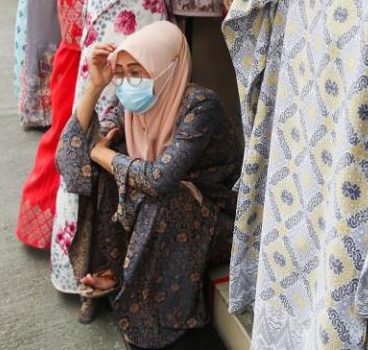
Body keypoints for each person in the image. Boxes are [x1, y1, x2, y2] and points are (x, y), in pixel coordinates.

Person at [55, 20, 241, 348]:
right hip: (155, 221)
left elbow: (159, 179)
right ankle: (118, 269)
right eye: (121, 72)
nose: (128, 82)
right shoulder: (128, 107)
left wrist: (102, 154)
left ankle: (148, 299)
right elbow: (70, 162)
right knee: (100, 170)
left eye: (137, 71)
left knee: (164, 194)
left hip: (214, 226)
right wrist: (95, 87)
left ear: (167, 68)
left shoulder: (199, 105)